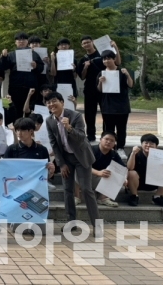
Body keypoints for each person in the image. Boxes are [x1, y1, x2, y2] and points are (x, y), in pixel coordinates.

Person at [45, 92, 100, 234]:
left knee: (86, 189)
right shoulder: (49, 120)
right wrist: (61, 164)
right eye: (48, 102)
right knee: (68, 190)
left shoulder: (75, 116)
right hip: (66, 158)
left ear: (62, 102)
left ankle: (97, 225)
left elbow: (82, 138)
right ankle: (71, 223)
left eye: (54, 101)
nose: (51, 104)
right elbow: (54, 144)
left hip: (81, 157)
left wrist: (69, 128)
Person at [77, 35, 121, 142]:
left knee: (106, 113)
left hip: (105, 88)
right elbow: (82, 77)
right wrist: (86, 67)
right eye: (84, 43)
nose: (86, 44)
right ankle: (90, 135)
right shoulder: (83, 59)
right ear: (82, 45)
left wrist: (115, 48)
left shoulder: (103, 54)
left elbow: (118, 63)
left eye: (88, 42)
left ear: (92, 42)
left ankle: (107, 135)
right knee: (89, 114)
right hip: (90, 88)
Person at [0, 32, 44, 121]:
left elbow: (41, 68)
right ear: (15, 42)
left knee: (30, 109)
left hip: (31, 87)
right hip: (15, 87)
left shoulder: (34, 54)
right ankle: (17, 129)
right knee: (15, 109)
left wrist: (36, 66)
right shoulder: (11, 54)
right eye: (19, 40)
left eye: (23, 39)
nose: (21, 41)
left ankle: (30, 128)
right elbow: (2, 67)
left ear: (27, 42)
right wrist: (4, 57)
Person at [97, 50, 133, 160]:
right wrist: (100, 82)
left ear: (114, 59)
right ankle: (109, 148)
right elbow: (99, 90)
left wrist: (127, 74)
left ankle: (120, 148)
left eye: (108, 58)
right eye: (104, 59)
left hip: (122, 105)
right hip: (107, 106)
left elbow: (130, 85)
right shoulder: (101, 73)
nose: (106, 60)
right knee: (108, 129)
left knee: (121, 129)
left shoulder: (122, 71)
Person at [127, 134, 163, 207]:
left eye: (152, 143)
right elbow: (130, 168)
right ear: (141, 144)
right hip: (137, 183)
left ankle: (157, 197)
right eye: (146, 143)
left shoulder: (160, 156)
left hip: (154, 182)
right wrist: (133, 154)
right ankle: (134, 196)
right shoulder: (136, 154)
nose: (148, 145)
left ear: (156, 146)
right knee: (131, 173)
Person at [84, 132, 126, 207]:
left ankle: (103, 198)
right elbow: (83, 166)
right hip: (87, 177)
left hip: (103, 180)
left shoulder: (114, 154)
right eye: (106, 139)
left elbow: (123, 168)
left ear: (114, 144)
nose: (109, 142)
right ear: (100, 140)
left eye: (112, 141)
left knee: (120, 176)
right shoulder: (91, 150)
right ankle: (76, 196)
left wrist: (124, 178)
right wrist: (97, 173)